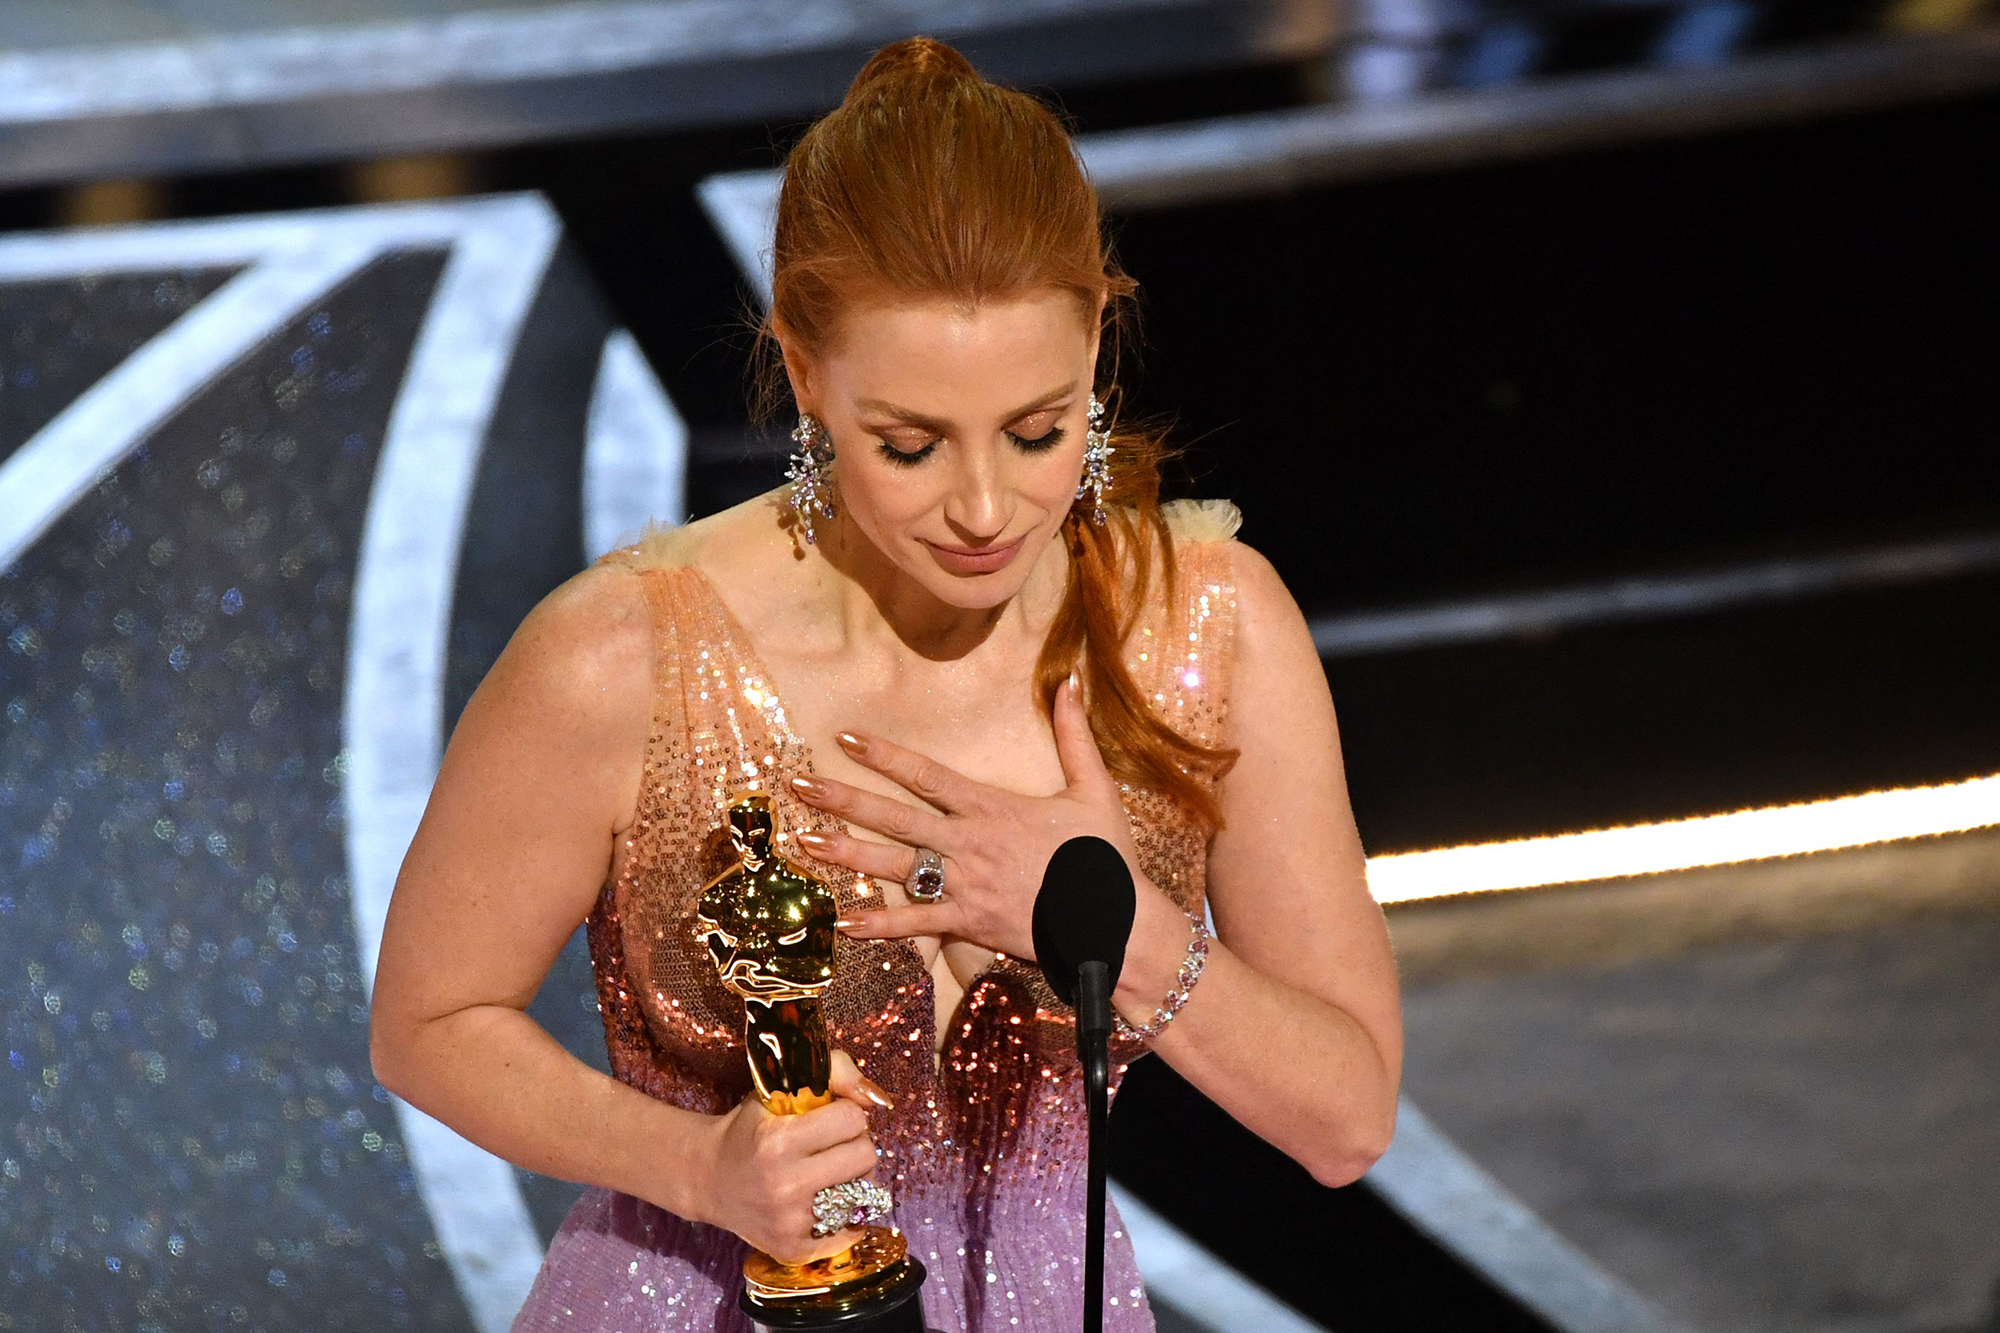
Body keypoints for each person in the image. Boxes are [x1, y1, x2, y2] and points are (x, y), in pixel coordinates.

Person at [367, 36, 1402, 1333]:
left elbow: (1348, 1116)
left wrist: (1117, 927)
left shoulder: (1207, 628)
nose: (982, 507)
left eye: (1039, 429)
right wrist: (695, 1165)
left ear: (1098, 347)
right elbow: (428, 1018)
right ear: (804, 372)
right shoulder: (621, 658)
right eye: (908, 445)